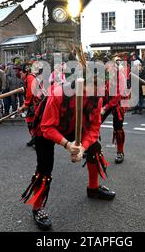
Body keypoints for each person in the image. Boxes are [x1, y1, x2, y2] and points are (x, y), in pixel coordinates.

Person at [21, 68, 115, 230]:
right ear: (83, 83)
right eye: (96, 85)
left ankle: (93, 188)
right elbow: (47, 127)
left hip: (72, 126)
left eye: (102, 86)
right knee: (44, 167)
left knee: (95, 148)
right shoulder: (58, 93)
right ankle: (37, 207)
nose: (101, 90)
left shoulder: (96, 98)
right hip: (46, 129)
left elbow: (94, 129)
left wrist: (82, 148)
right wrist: (67, 144)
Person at [101, 59, 127, 164]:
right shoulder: (106, 75)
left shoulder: (120, 76)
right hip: (107, 101)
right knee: (95, 120)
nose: (107, 69)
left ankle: (120, 152)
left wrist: (105, 108)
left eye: (108, 67)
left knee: (118, 127)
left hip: (118, 103)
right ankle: (92, 148)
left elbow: (117, 96)